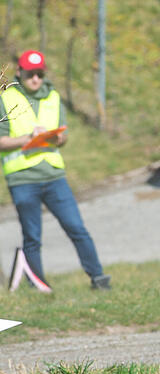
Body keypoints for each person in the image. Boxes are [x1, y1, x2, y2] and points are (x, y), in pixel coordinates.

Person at [0, 50, 110, 290]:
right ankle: (36, 284)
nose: (35, 79)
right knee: (32, 236)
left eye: (39, 74)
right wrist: (29, 138)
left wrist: (59, 139)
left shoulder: (54, 97)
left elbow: (63, 134)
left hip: (54, 176)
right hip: (22, 178)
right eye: (30, 74)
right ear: (19, 72)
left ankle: (98, 278)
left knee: (76, 227)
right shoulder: (6, 98)